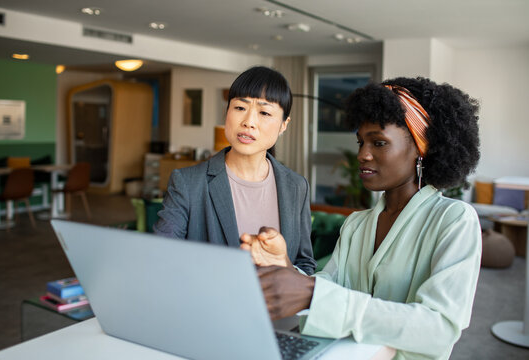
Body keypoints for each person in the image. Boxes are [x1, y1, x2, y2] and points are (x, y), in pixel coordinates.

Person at [242, 77, 482, 359]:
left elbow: (439, 328)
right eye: (360, 142)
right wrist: (284, 268)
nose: (362, 155)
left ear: (421, 149)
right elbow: (326, 289)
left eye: (379, 143)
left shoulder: (454, 220)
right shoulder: (357, 224)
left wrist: (312, 292)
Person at [154, 66, 316, 275]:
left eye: (264, 112)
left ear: (284, 125)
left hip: (274, 308)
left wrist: (283, 263)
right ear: (227, 112)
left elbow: (305, 266)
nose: (248, 122)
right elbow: (159, 257)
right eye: (240, 108)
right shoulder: (188, 183)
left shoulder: (296, 186)